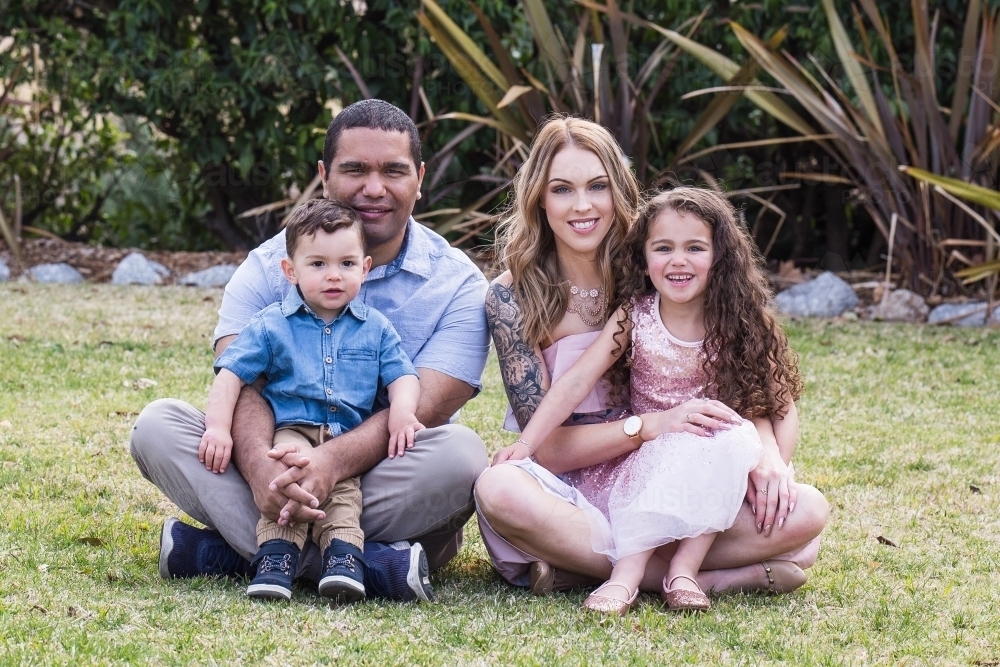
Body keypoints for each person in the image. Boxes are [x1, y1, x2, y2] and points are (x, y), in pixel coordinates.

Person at [131, 99, 491, 601]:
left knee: (462, 455)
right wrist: (261, 471)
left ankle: (248, 555)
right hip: (278, 454)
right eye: (354, 169)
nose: (374, 187)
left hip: (384, 475)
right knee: (157, 425)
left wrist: (330, 465)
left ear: (419, 177)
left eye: (393, 170)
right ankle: (366, 564)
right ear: (324, 176)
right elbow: (242, 384)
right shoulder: (267, 266)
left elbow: (424, 407)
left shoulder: (458, 285)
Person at [476, 115, 828, 602]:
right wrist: (650, 425)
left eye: (597, 186)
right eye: (562, 189)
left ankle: (597, 569)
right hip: (574, 491)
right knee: (498, 489)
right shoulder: (512, 299)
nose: (582, 205)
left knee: (805, 510)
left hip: (677, 468)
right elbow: (549, 448)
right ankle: (699, 573)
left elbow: (763, 391)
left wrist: (766, 461)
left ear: (619, 190)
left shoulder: (656, 266)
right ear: (538, 197)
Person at [200, 199, 427, 602]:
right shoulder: (272, 324)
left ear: (365, 267)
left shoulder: (375, 329)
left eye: (346, 264)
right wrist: (217, 426)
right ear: (291, 271)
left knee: (343, 496)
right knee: (288, 476)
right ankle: (275, 556)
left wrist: (403, 413)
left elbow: (402, 375)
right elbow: (231, 373)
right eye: (318, 264)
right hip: (291, 430)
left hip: (345, 440)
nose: (333, 276)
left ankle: (341, 559)